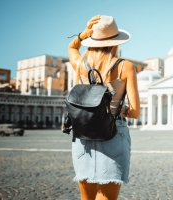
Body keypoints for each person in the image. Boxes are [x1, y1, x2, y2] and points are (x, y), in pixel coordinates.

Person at [68, 15, 140, 200]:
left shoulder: (80, 64)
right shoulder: (125, 66)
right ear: (116, 42)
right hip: (114, 132)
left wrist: (83, 34)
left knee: (87, 197)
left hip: (83, 133)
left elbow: (72, 47)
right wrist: (114, 108)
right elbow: (135, 112)